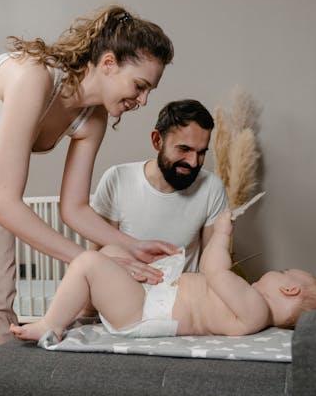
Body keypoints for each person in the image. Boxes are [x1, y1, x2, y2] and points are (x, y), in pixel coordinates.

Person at [0, 4, 175, 373]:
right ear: (108, 63)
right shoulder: (35, 79)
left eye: (149, 91)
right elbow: (5, 207)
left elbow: (74, 208)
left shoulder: (93, 118)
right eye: (140, 86)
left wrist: (130, 247)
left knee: (1, 301)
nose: (143, 101)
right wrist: (92, 261)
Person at [11, 210, 316, 343]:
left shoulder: (257, 310)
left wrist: (223, 233)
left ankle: (51, 323)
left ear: (290, 289)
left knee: (87, 261)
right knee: (112, 254)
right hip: (151, 300)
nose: (274, 272)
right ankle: (87, 309)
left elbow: (214, 269)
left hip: (146, 313)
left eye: (282, 273)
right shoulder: (253, 307)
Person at [91, 99, 229, 278]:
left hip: (183, 298)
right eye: (184, 149)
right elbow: (97, 260)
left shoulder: (212, 188)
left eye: (201, 152)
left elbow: (211, 268)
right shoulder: (117, 179)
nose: (194, 162)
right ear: (157, 141)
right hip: (127, 293)